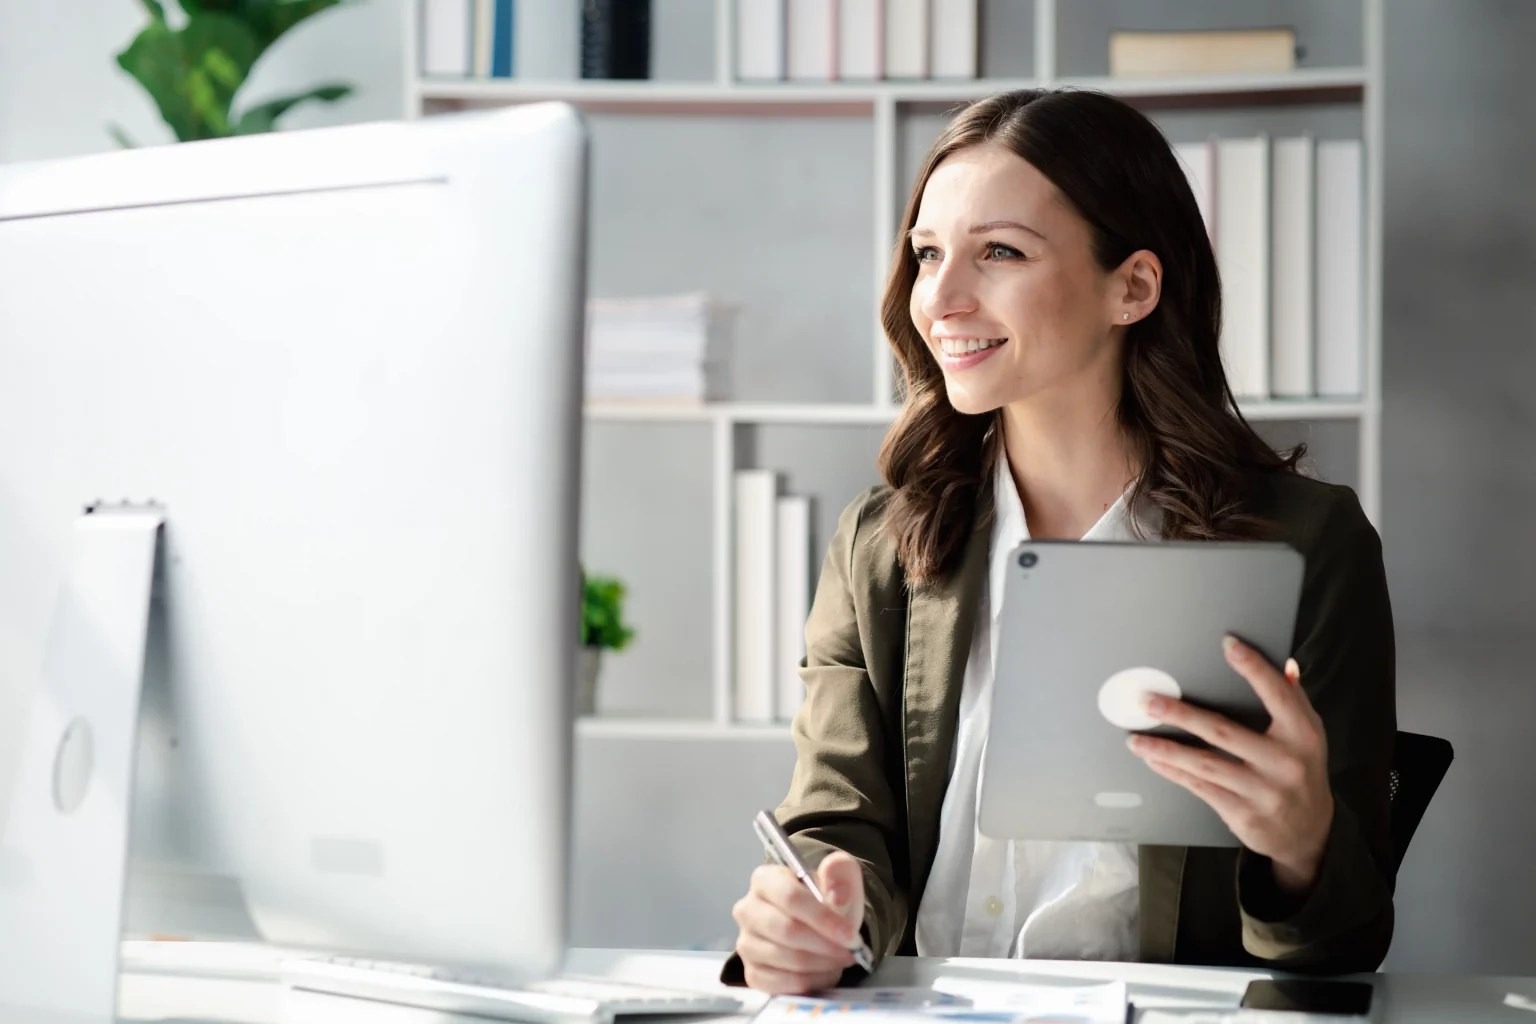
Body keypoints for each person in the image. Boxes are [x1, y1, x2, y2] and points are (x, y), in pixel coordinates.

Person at [722, 88, 1396, 994]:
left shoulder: (1307, 547)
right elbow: (838, 828)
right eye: (928, 254)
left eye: (998, 251)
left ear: (1134, 286)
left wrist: (1305, 848)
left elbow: (1344, 947)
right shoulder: (880, 547)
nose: (942, 298)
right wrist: (814, 913)